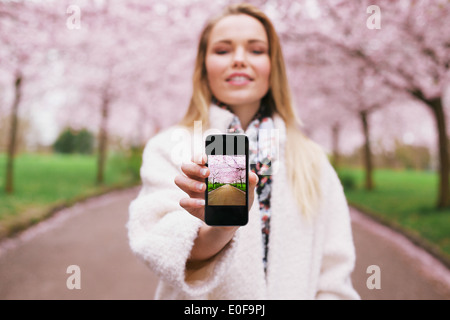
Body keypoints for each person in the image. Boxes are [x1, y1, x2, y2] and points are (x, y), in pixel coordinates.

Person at [127, 3, 360, 300]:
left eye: (256, 50)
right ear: (204, 66)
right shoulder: (171, 147)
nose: (239, 60)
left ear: (272, 66)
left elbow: (334, 276)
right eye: (223, 51)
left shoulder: (310, 159)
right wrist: (222, 228)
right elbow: (159, 245)